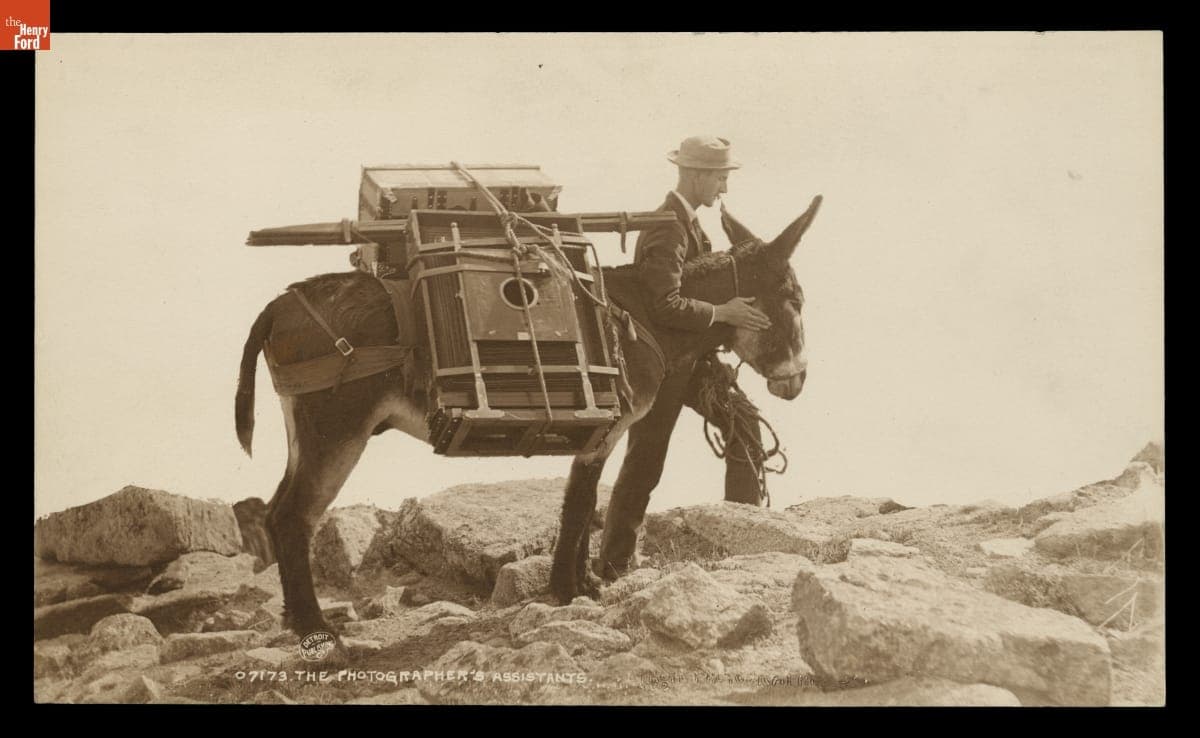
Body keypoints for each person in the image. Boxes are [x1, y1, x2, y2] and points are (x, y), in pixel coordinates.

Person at [597, 136, 772, 578]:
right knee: (646, 460)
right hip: (663, 366)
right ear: (695, 175)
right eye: (719, 178)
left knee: (744, 424)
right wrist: (722, 312)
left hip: (690, 360)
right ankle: (615, 565)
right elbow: (664, 306)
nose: (724, 188)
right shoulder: (667, 226)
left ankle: (742, 539)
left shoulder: (689, 223)